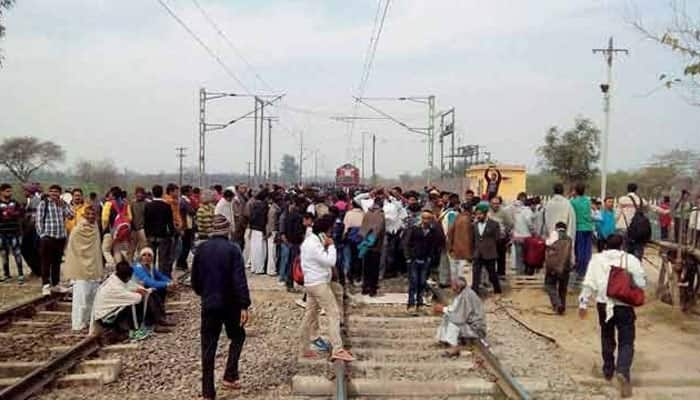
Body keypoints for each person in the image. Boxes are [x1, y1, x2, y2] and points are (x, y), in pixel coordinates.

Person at [579, 234, 646, 398]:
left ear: (605, 245)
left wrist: (583, 303)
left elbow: (588, 283)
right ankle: (623, 371)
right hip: (624, 306)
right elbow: (641, 283)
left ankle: (608, 369)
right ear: (622, 245)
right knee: (627, 341)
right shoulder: (630, 259)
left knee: (607, 335)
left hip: (603, 304)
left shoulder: (596, 259)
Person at [192, 215, 251, 399]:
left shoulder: (201, 249)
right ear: (227, 230)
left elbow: (195, 280)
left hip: (209, 303)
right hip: (230, 304)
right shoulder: (233, 250)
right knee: (238, 336)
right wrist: (244, 305)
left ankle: (208, 392)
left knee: (208, 347)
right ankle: (230, 375)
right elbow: (239, 279)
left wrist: (204, 293)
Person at [298, 214, 354, 361]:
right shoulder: (314, 244)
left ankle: (304, 348)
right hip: (318, 284)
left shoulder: (310, 241)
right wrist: (331, 246)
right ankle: (337, 348)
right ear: (325, 230)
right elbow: (330, 261)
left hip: (311, 283)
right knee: (333, 313)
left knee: (309, 315)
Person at [91, 261, 168, 339]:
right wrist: (142, 292)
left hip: (112, 311)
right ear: (127, 277)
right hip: (106, 318)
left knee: (150, 294)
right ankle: (138, 329)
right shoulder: (114, 288)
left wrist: (142, 290)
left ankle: (158, 321)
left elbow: (131, 285)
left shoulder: (117, 278)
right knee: (136, 304)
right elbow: (137, 298)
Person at [63, 204, 103, 331]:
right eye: (88, 214)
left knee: (92, 297)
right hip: (80, 268)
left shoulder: (96, 227)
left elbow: (97, 248)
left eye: (93, 214)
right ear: (84, 215)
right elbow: (74, 249)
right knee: (81, 298)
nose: (91, 217)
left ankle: (88, 322)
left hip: (94, 267)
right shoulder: (78, 229)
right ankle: (78, 324)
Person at [36, 184, 75, 295]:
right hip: (48, 237)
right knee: (46, 262)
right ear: (49, 192)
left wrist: (63, 206)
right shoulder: (44, 203)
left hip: (60, 237)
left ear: (59, 193)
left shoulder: (62, 204)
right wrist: (42, 235)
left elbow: (71, 216)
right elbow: (38, 221)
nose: (54, 194)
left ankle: (56, 284)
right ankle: (46, 285)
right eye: (52, 191)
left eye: (56, 192)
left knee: (56, 262)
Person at [434, 277, 486, 357]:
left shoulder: (466, 296)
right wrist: (444, 310)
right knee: (447, 316)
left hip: (475, 328)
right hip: (469, 323)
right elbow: (454, 309)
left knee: (453, 322)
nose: (451, 288)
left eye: (453, 286)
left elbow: (460, 317)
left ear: (457, 287)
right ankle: (444, 340)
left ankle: (454, 347)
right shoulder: (462, 294)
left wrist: (442, 309)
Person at [404, 210, 443, 312]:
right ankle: (411, 304)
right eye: (424, 218)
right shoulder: (414, 229)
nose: (426, 221)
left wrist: (430, 257)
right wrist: (408, 257)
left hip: (425, 260)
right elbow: (407, 243)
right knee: (413, 282)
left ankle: (420, 303)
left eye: (428, 218)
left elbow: (435, 244)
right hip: (414, 259)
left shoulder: (433, 231)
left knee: (422, 282)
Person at [144, 184, 175, 277]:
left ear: (153, 193)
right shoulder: (166, 206)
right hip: (163, 235)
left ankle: (149, 279)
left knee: (149, 259)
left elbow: (146, 222)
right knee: (163, 260)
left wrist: (147, 234)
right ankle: (162, 282)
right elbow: (170, 222)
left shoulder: (148, 206)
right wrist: (171, 234)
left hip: (151, 235)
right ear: (162, 193)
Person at [133, 247, 177, 312]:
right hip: (136, 290)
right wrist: (167, 284)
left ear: (152, 258)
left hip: (144, 288)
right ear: (140, 257)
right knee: (158, 288)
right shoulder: (138, 268)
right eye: (144, 255)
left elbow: (161, 276)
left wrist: (171, 281)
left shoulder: (150, 266)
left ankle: (160, 308)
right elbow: (150, 282)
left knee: (162, 288)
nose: (146, 257)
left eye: (149, 255)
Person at [471, 202, 502, 296]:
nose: (478, 216)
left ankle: (497, 289)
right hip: (477, 253)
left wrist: (491, 247)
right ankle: (475, 292)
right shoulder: (474, 225)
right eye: (477, 214)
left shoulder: (494, 224)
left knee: (492, 274)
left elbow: (497, 239)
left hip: (489, 253)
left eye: (480, 214)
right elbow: (473, 239)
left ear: (485, 214)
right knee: (476, 274)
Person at [544, 222, 572, 315]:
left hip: (553, 267)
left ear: (556, 228)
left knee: (550, 285)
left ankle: (557, 304)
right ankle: (562, 306)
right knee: (563, 288)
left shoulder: (554, 235)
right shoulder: (569, 239)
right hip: (566, 267)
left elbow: (547, 244)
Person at [359, 199, 386, 297]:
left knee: (366, 267)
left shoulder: (367, 213)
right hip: (375, 245)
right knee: (374, 268)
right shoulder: (380, 214)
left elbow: (362, 227)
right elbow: (379, 229)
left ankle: (365, 287)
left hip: (365, 244)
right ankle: (372, 289)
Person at [0, 183, 25, 283]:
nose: (9, 193)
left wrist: (12, 213)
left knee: (17, 253)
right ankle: (7, 275)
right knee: (4, 254)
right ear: (1, 192)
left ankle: (20, 274)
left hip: (15, 232)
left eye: (10, 191)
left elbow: (21, 213)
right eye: (7, 191)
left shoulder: (15, 202)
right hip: (2, 233)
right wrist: (5, 214)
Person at [102, 187, 133, 265]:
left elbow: (105, 219)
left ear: (112, 194)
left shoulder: (108, 203)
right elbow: (130, 218)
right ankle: (123, 268)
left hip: (111, 231)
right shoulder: (126, 204)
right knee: (117, 250)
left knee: (106, 250)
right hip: (123, 232)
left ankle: (113, 266)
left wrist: (104, 228)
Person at [615, 183, 646, 259]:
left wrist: (613, 224)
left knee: (623, 250)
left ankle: (623, 268)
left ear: (627, 189)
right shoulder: (641, 200)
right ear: (636, 190)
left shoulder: (622, 199)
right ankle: (636, 266)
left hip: (624, 227)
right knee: (637, 250)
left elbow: (617, 215)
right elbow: (651, 207)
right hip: (638, 230)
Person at [570, 183, 593, 279]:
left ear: (575, 191)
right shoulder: (588, 201)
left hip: (579, 228)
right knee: (587, 250)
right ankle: (586, 268)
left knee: (579, 249)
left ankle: (580, 270)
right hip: (589, 227)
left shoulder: (573, 202)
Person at [447, 203, 473, 285]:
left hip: (455, 250)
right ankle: (464, 292)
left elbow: (449, 233)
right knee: (464, 274)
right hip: (466, 252)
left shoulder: (457, 218)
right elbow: (471, 238)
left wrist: (450, 247)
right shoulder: (470, 220)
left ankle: (455, 288)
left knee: (454, 271)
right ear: (471, 210)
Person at [487, 196, 512, 277]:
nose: (496, 205)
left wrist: (505, 232)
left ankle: (501, 274)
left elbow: (510, 224)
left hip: (501, 238)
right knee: (491, 257)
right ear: (490, 204)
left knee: (501, 257)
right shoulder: (487, 212)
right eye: (494, 203)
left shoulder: (504, 212)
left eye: (497, 204)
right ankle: (492, 274)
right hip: (490, 239)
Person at [511, 193, 534, 275]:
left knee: (518, 257)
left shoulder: (512, 209)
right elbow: (529, 222)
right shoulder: (527, 210)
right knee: (527, 256)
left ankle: (519, 273)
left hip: (517, 236)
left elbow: (510, 222)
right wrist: (533, 231)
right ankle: (525, 272)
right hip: (527, 236)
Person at [342, 201, 365, 285]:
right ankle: (358, 277)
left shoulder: (348, 213)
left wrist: (344, 236)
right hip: (361, 238)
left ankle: (350, 277)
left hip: (350, 238)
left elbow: (345, 226)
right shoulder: (363, 213)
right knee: (359, 258)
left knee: (350, 258)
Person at [248, 190, 269, 274]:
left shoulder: (254, 204)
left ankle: (254, 267)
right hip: (260, 229)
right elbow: (263, 220)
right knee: (261, 250)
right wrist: (265, 231)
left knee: (254, 249)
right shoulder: (264, 206)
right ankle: (260, 269)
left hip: (253, 228)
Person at [177, 185, 196, 272]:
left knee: (186, 246)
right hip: (186, 226)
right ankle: (181, 263)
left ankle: (182, 263)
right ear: (186, 192)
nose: (191, 193)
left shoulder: (186, 200)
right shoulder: (183, 201)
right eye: (190, 191)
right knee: (185, 246)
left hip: (189, 225)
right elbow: (191, 211)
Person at [265, 194, 281, 276]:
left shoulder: (274, 209)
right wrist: (270, 232)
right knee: (272, 252)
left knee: (272, 252)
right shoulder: (273, 210)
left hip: (272, 231)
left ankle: (271, 269)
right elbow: (271, 222)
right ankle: (271, 270)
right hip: (272, 232)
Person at [130, 187, 149, 256]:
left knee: (143, 248)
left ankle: (140, 264)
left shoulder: (147, 203)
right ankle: (130, 263)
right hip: (133, 229)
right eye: (138, 193)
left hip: (143, 229)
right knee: (132, 248)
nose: (139, 195)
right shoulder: (132, 203)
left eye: (141, 193)